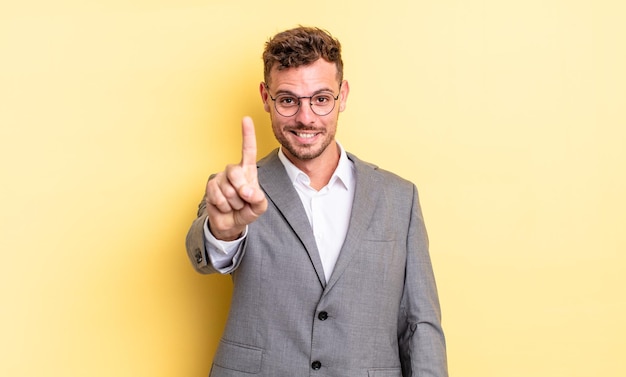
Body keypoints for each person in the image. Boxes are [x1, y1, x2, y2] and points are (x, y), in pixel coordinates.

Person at [186, 26, 448, 377]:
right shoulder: (238, 189)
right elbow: (203, 256)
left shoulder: (399, 198)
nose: (306, 117)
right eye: (288, 99)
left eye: (321, 99)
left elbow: (421, 324)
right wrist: (224, 233)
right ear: (266, 97)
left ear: (343, 96)